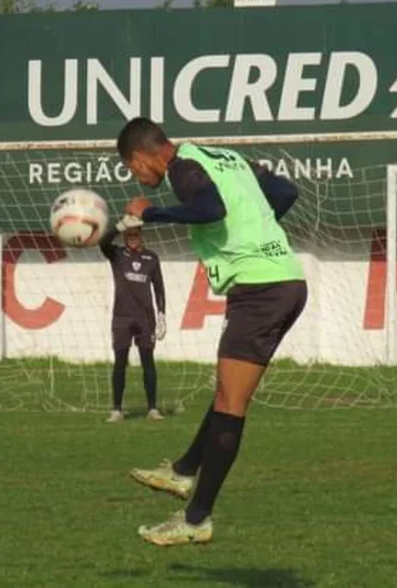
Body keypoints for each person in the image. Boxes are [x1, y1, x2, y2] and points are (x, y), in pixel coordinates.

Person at [114, 117, 307, 546]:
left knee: (231, 406)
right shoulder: (226, 159)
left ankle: (197, 518)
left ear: (142, 155)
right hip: (284, 279)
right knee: (226, 395)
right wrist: (253, 232)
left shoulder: (183, 168)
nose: (139, 178)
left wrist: (153, 213)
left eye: (133, 169)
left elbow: (211, 209)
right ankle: (183, 472)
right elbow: (285, 192)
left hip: (262, 289)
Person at [99, 222, 167, 422]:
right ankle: (117, 410)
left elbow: (159, 287)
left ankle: (153, 408)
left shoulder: (151, 258)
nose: (132, 239)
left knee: (148, 361)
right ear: (124, 238)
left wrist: (161, 313)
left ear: (141, 236)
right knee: (120, 362)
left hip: (146, 318)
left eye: (135, 235)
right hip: (122, 318)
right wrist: (118, 226)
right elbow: (103, 242)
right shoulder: (117, 255)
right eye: (128, 235)